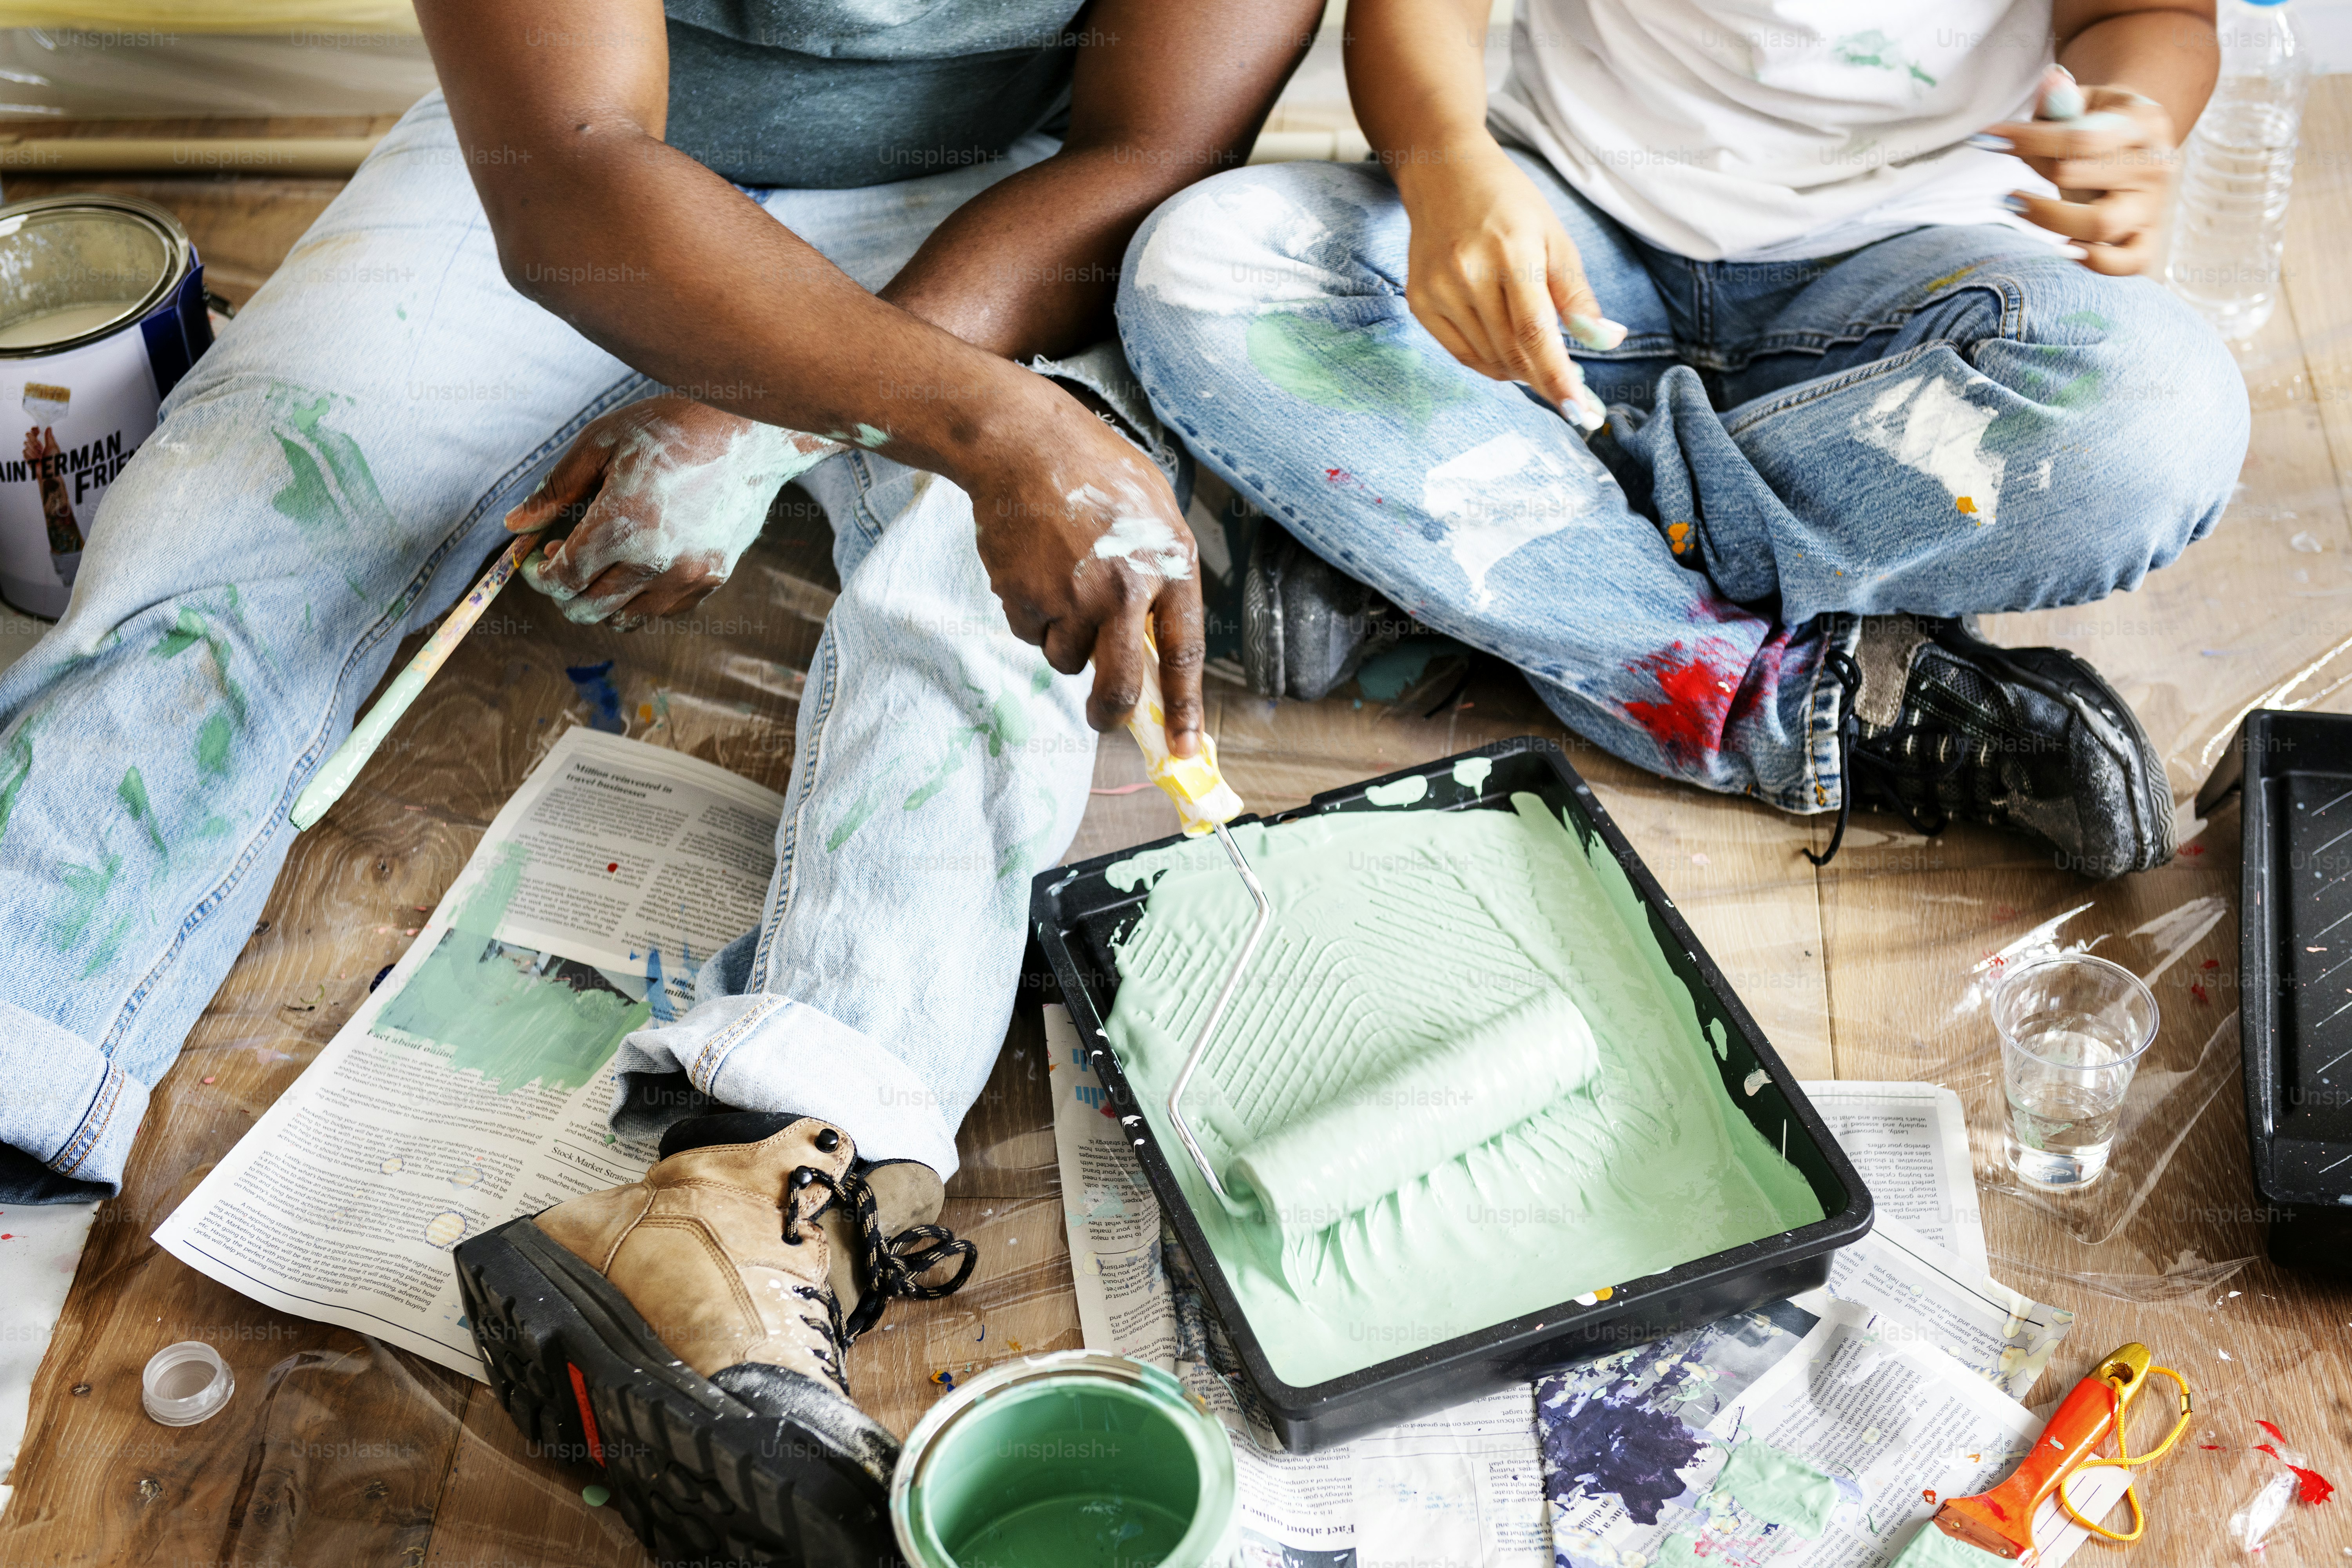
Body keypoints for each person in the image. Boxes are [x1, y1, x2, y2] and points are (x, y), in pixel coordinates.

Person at [0, 0, 1313, 1554]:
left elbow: (1152, 145)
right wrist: (893, 410)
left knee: (988, 640)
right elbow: (562, 166)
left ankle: (756, 1191)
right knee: (239, 508)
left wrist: (904, 421)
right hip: (569, 167)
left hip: (1014, 197)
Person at [1120, 0, 2246, 877]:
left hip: (1914, 304)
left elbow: (2153, 18)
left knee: (2159, 413)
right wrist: (1447, 165)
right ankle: (1778, 704)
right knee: (1206, 263)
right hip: (1567, 258)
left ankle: (1493, 554)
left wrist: (2127, 112)